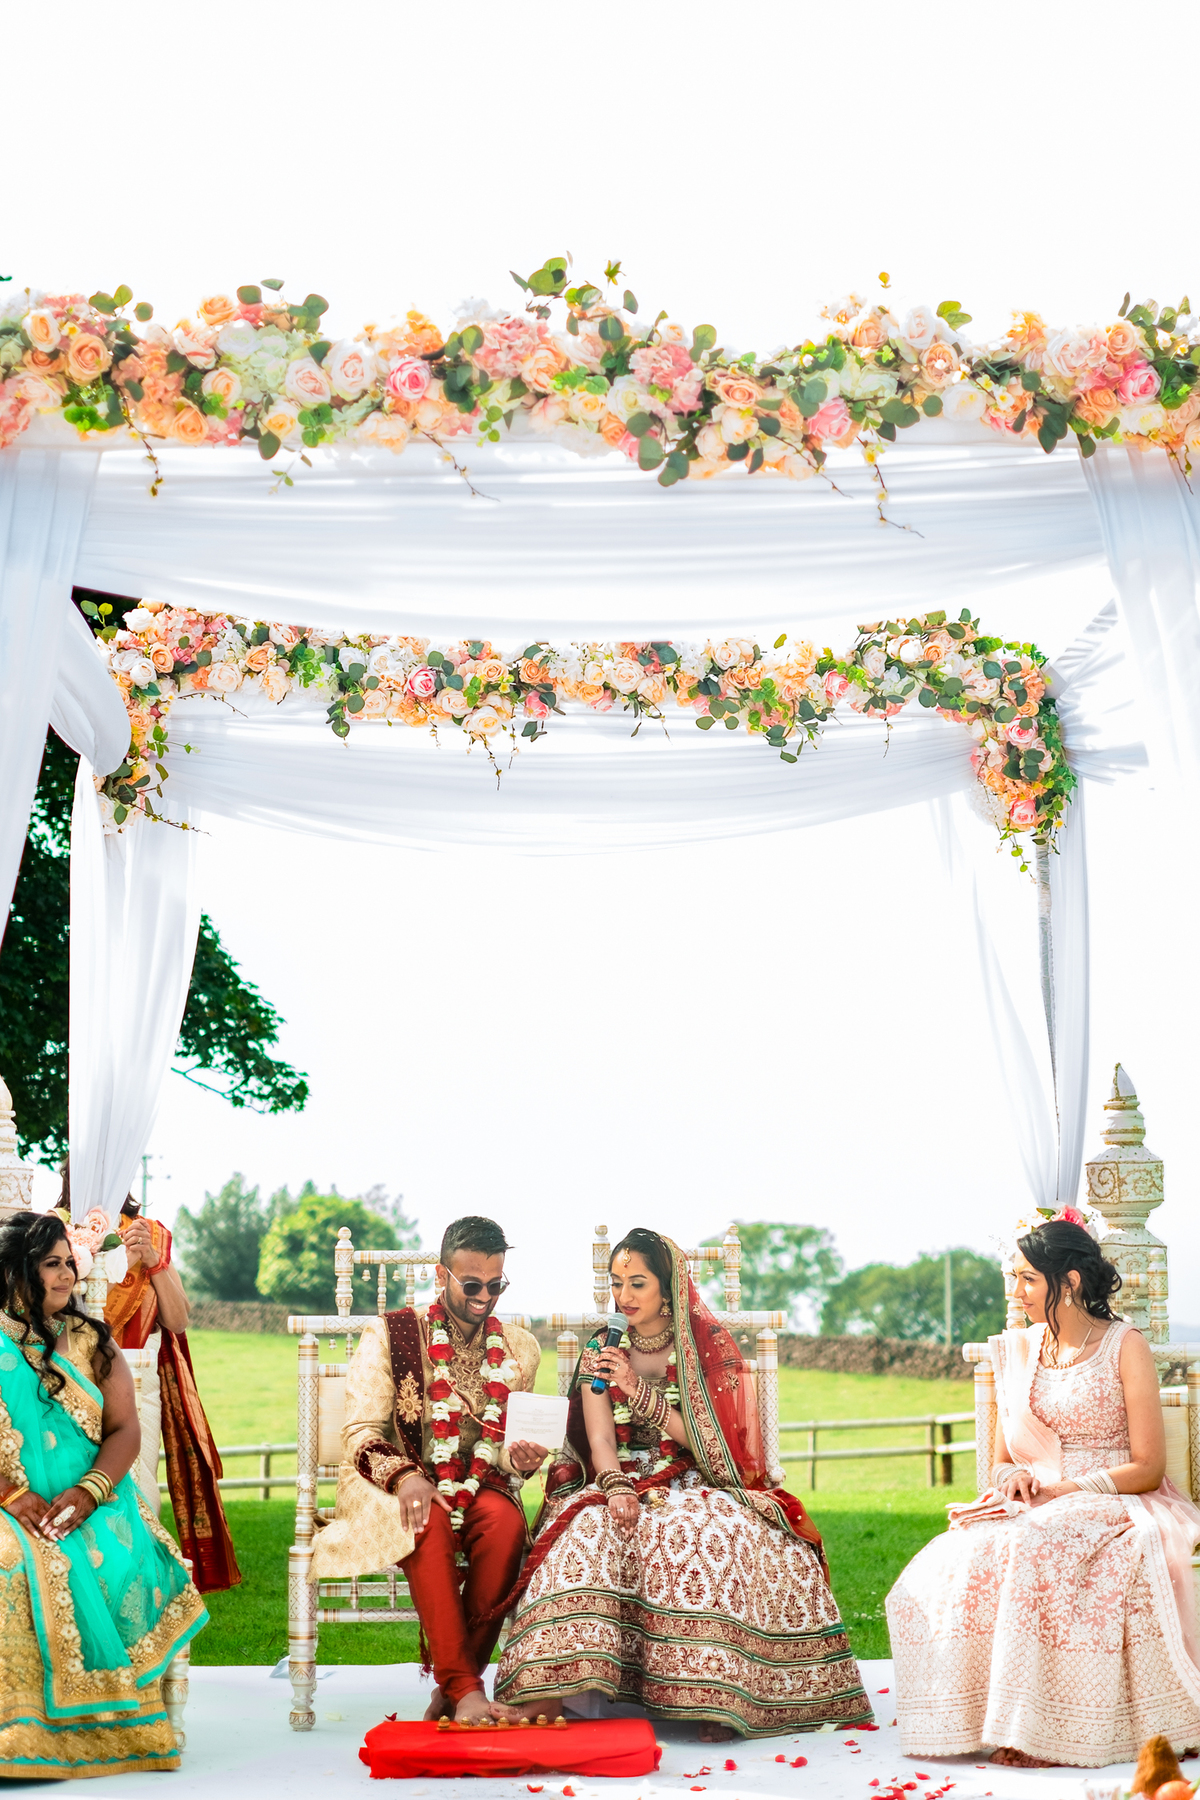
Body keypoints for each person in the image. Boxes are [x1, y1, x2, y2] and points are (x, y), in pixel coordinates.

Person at [492, 1227, 871, 1741]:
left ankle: (716, 1698)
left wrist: (636, 1389)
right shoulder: (603, 1347)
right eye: (617, 1283)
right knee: (588, 1532)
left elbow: (712, 1442)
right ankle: (551, 1690)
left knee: (705, 1532)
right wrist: (615, 1485)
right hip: (619, 1475)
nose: (624, 1296)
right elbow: (600, 1437)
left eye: (638, 1284)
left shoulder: (704, 1348)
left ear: (668, 1289)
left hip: (694, 1478)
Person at [887, 1211, 1200, 1769]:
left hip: (1118, 1498)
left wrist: (1070, 1489)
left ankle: (1043, 1729)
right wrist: (1013, 1479)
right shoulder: (1020, 1350)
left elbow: (1149, 1467)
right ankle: (968, 1717)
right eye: (1015, 1277)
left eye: (1028, 1279)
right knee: (954, 1553)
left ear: (1070, 1281)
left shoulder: (1124, 1345)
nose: (1017, 1292)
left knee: (1035, 1546)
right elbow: (1002, 1461)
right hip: (1040, 1502)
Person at [311, 1215, 547, 1724]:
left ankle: (455, 1691)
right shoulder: (391, 1333)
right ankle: (464, 1689)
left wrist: (521, 1458)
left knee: (506, 1525)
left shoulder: (521, 1348)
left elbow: (503, 1447)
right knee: (426, 1516)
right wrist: (406, 1477)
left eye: (496, 1285)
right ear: (442, 1275)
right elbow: (360, 1431)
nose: (485, 1297)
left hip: (478, 1481)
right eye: (472, 1284)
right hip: (387, 1479)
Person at [0, 1211, 207, 1779]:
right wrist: (11, 1493)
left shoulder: (92, 1340)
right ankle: (17, 1730)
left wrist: (89, 1492)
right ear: (16, 1271)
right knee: (10, 1564)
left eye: (69, 1263)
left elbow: (124, 1431)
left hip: (92, 1501)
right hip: (7, 1503)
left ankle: (87, 1731)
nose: (67, 1275)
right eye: (51, 1264)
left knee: (97, 1559)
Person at [100, 1192, 241, 1593]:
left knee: (141, 1487)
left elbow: (177, 1320)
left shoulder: (149, 1234)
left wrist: (151, 1260)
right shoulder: (58, 1229)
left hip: (138, 1378)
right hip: (74, 1372)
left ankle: (141, 1592)